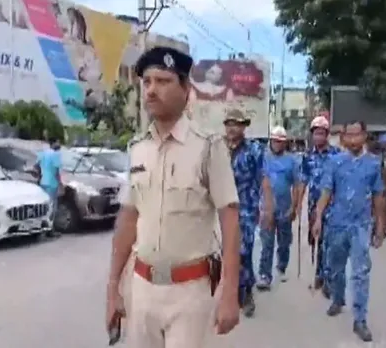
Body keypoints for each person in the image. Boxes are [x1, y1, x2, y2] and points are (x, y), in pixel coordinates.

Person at [105, 46, 241, 348]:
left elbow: (229, 219)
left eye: (163, 81)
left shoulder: (208, 147)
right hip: (142, 289)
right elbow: (128, 218)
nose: (152, 90)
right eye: (147, 82)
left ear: (185, 89)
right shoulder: (138, 148)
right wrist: (113, 287)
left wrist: (231, 292)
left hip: (189, 292)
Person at [312, 120, 386, 342]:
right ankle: (337, 297)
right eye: (349, 136)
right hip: (336, 224)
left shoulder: (373, 164)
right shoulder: (334, 162)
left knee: (361, 272)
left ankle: (360, 319)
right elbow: (326, 192)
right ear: (343, 138)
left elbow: (378, 196)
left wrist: (380, 226)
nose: (353, 140)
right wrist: (318, 218)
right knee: (334, 267)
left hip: (361, 225)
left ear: (364, 136)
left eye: (357, 135)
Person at [223, 109, 266, 317]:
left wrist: (267, 208)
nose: (232, 127)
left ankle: (246, 291)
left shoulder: (254, 150)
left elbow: (263, 179)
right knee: (228, 252)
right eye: (229, 123)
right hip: (223, 210)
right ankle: (234, 288)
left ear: (243, 127)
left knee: (243, 251)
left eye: (237, 124)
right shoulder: (219, 149)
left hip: (246, 209)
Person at [297, 116, 340, 298]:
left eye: (322, 133)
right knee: (316, 239)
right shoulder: (307, 156)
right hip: (314, 205)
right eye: (316, 133)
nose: (318, 137)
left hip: (332, 205)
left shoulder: (336, 155)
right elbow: (302, 181)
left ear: (327, 135)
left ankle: (327, 278)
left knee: (329, 242)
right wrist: (298, 203)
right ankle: (319, 273)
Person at [256, 126, 298, 290]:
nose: (277, 144)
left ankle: (282, 264)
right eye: (275, 141)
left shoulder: (292, 160)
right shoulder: (263, 158)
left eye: (281, 142)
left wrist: (295, 206)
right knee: (267, 242)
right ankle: (265, 274)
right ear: (270, 141)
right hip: (266, 208)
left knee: (284, 241)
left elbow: (297, 184)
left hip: (284, 206)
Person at [35, 137, 62, 238]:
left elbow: (36, 166)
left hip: (43, 183)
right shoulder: (55, 155)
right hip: (52, 183)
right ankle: (50, 230)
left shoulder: (42, 153)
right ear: (53, 143)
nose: (59, 145)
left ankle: (42, 228)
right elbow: (57, 171)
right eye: (58, 142)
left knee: (44, 206)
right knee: (52, 207)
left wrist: (40, 175)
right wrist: (60, 184)